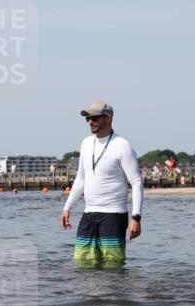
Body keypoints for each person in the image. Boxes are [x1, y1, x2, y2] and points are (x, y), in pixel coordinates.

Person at [61, 101, 143, 268]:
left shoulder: (122, 146)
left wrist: (136, 217)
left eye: (95, 118)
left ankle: (114, 295)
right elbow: (81, 178)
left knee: (113, 267)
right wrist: (67, 207)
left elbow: (136, 183)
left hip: (113, 215)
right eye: (88, 118)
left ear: (109, 118)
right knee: (82, 263)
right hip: (89, 213)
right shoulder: (85, 143)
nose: (91, 121)